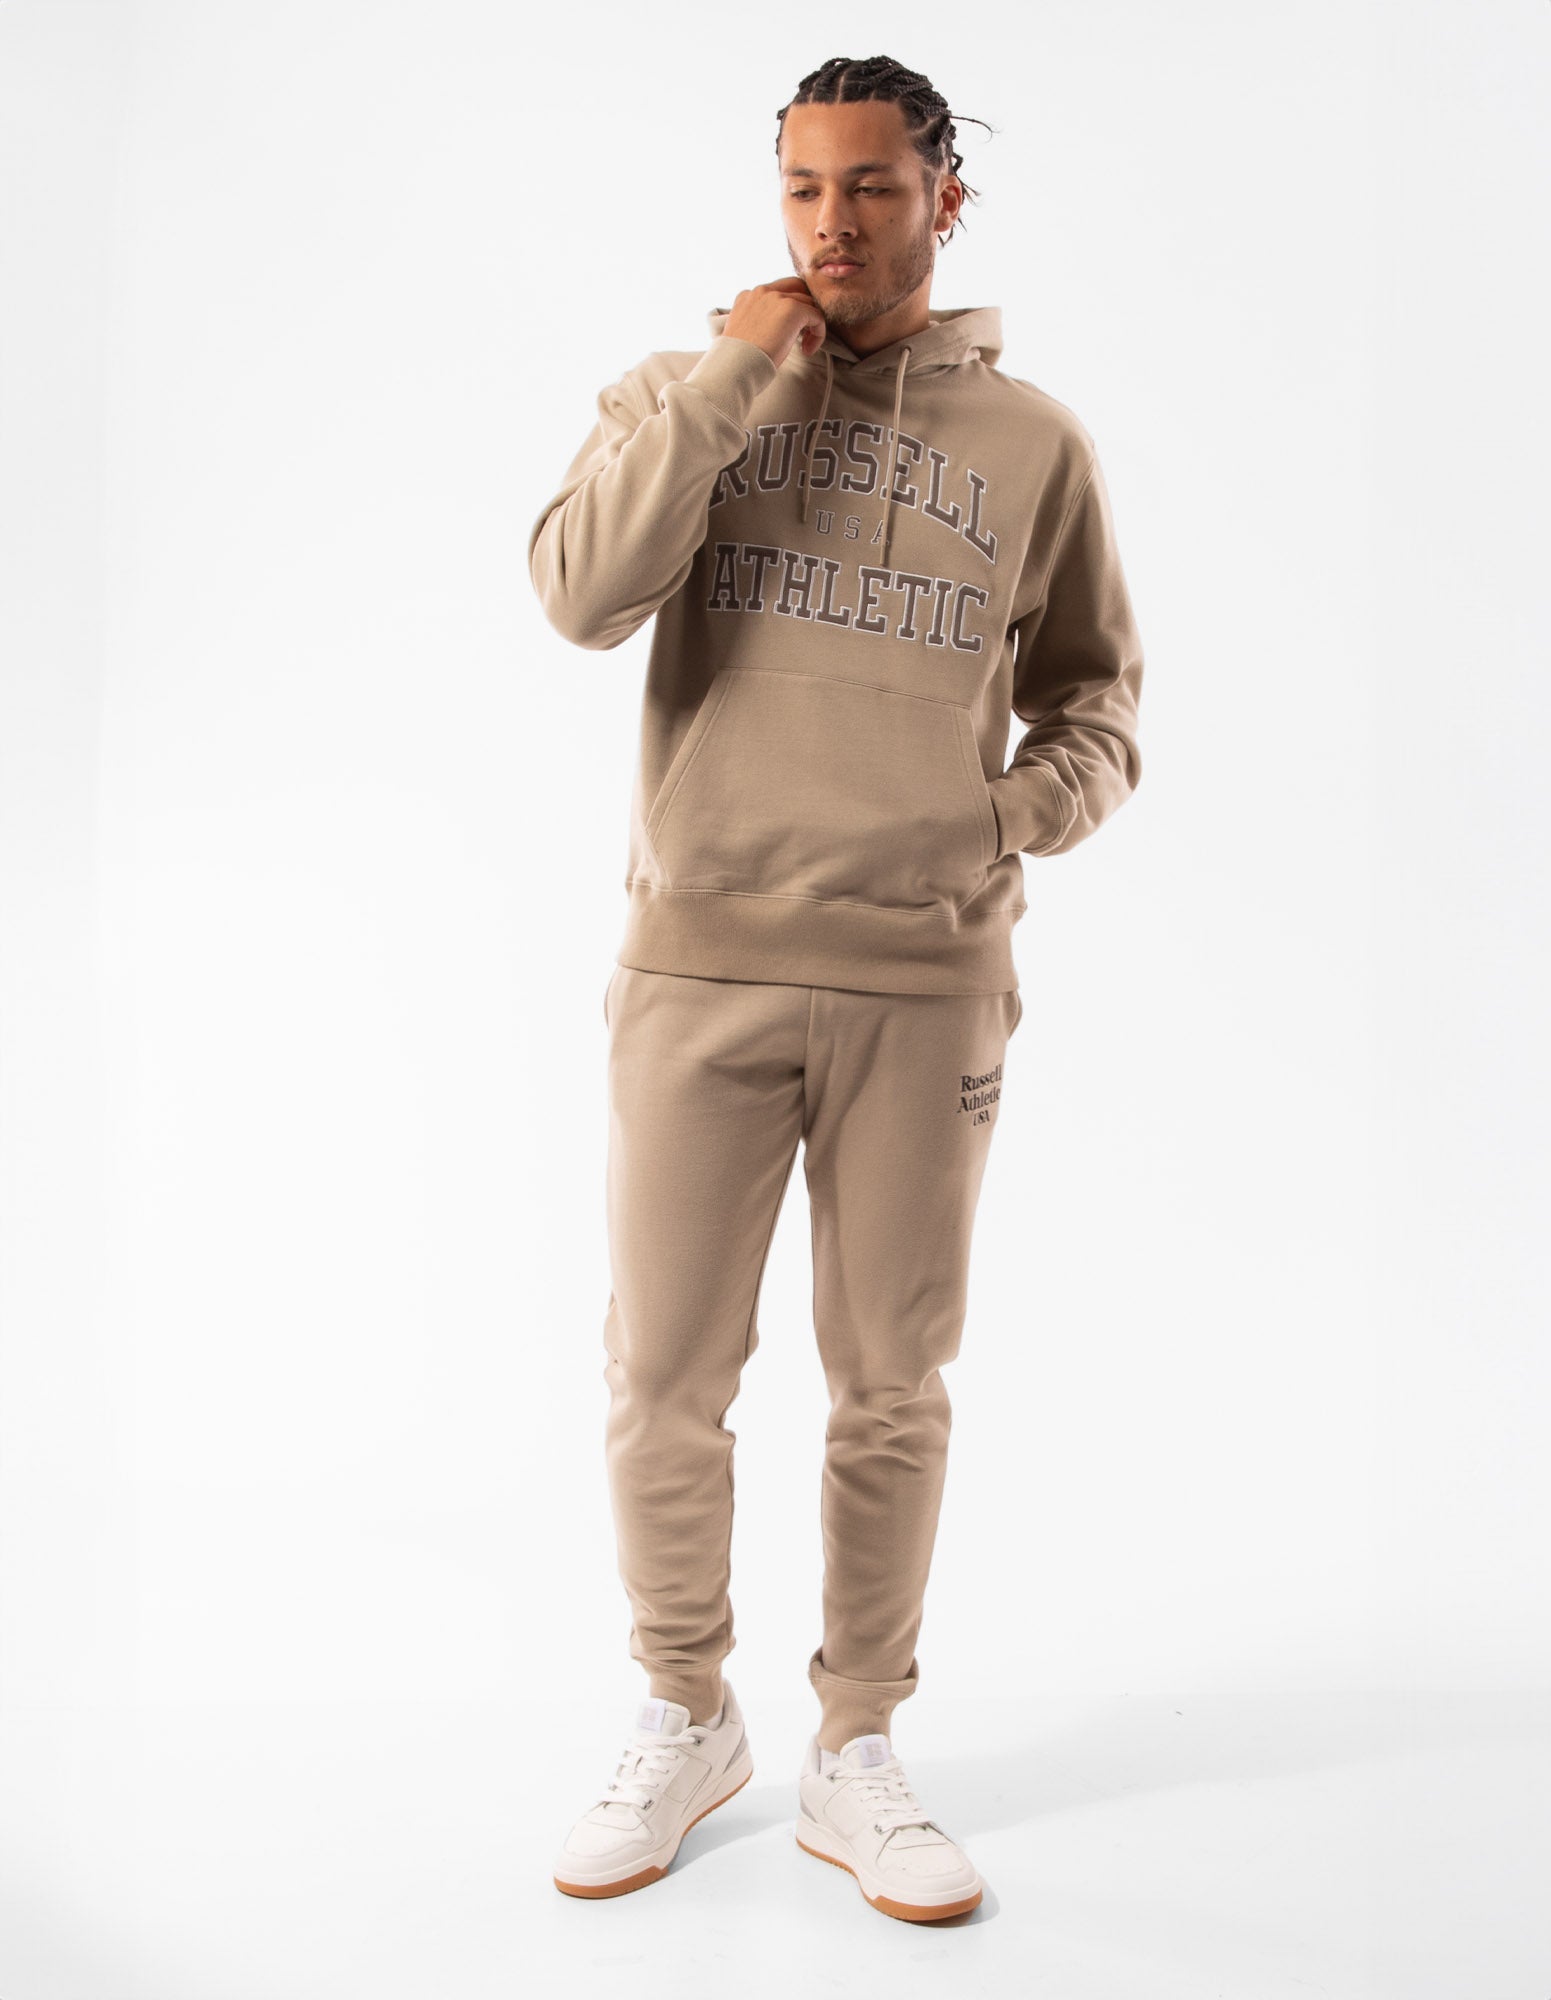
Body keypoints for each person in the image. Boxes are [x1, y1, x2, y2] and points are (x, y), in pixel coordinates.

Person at [528, 52, 1144, 1922]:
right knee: (663, 1377)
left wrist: (1003, 817)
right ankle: (684, 1710)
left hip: (923, 978)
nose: (833, 225)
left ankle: (858, 1743)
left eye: (873, 186)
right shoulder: (681, 393)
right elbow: (579, 594)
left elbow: (1100, 704)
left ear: (946, 197)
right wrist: (735, 381)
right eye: (804, 188)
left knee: (891, 1385)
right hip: (698, 960)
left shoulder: (1034, 446)